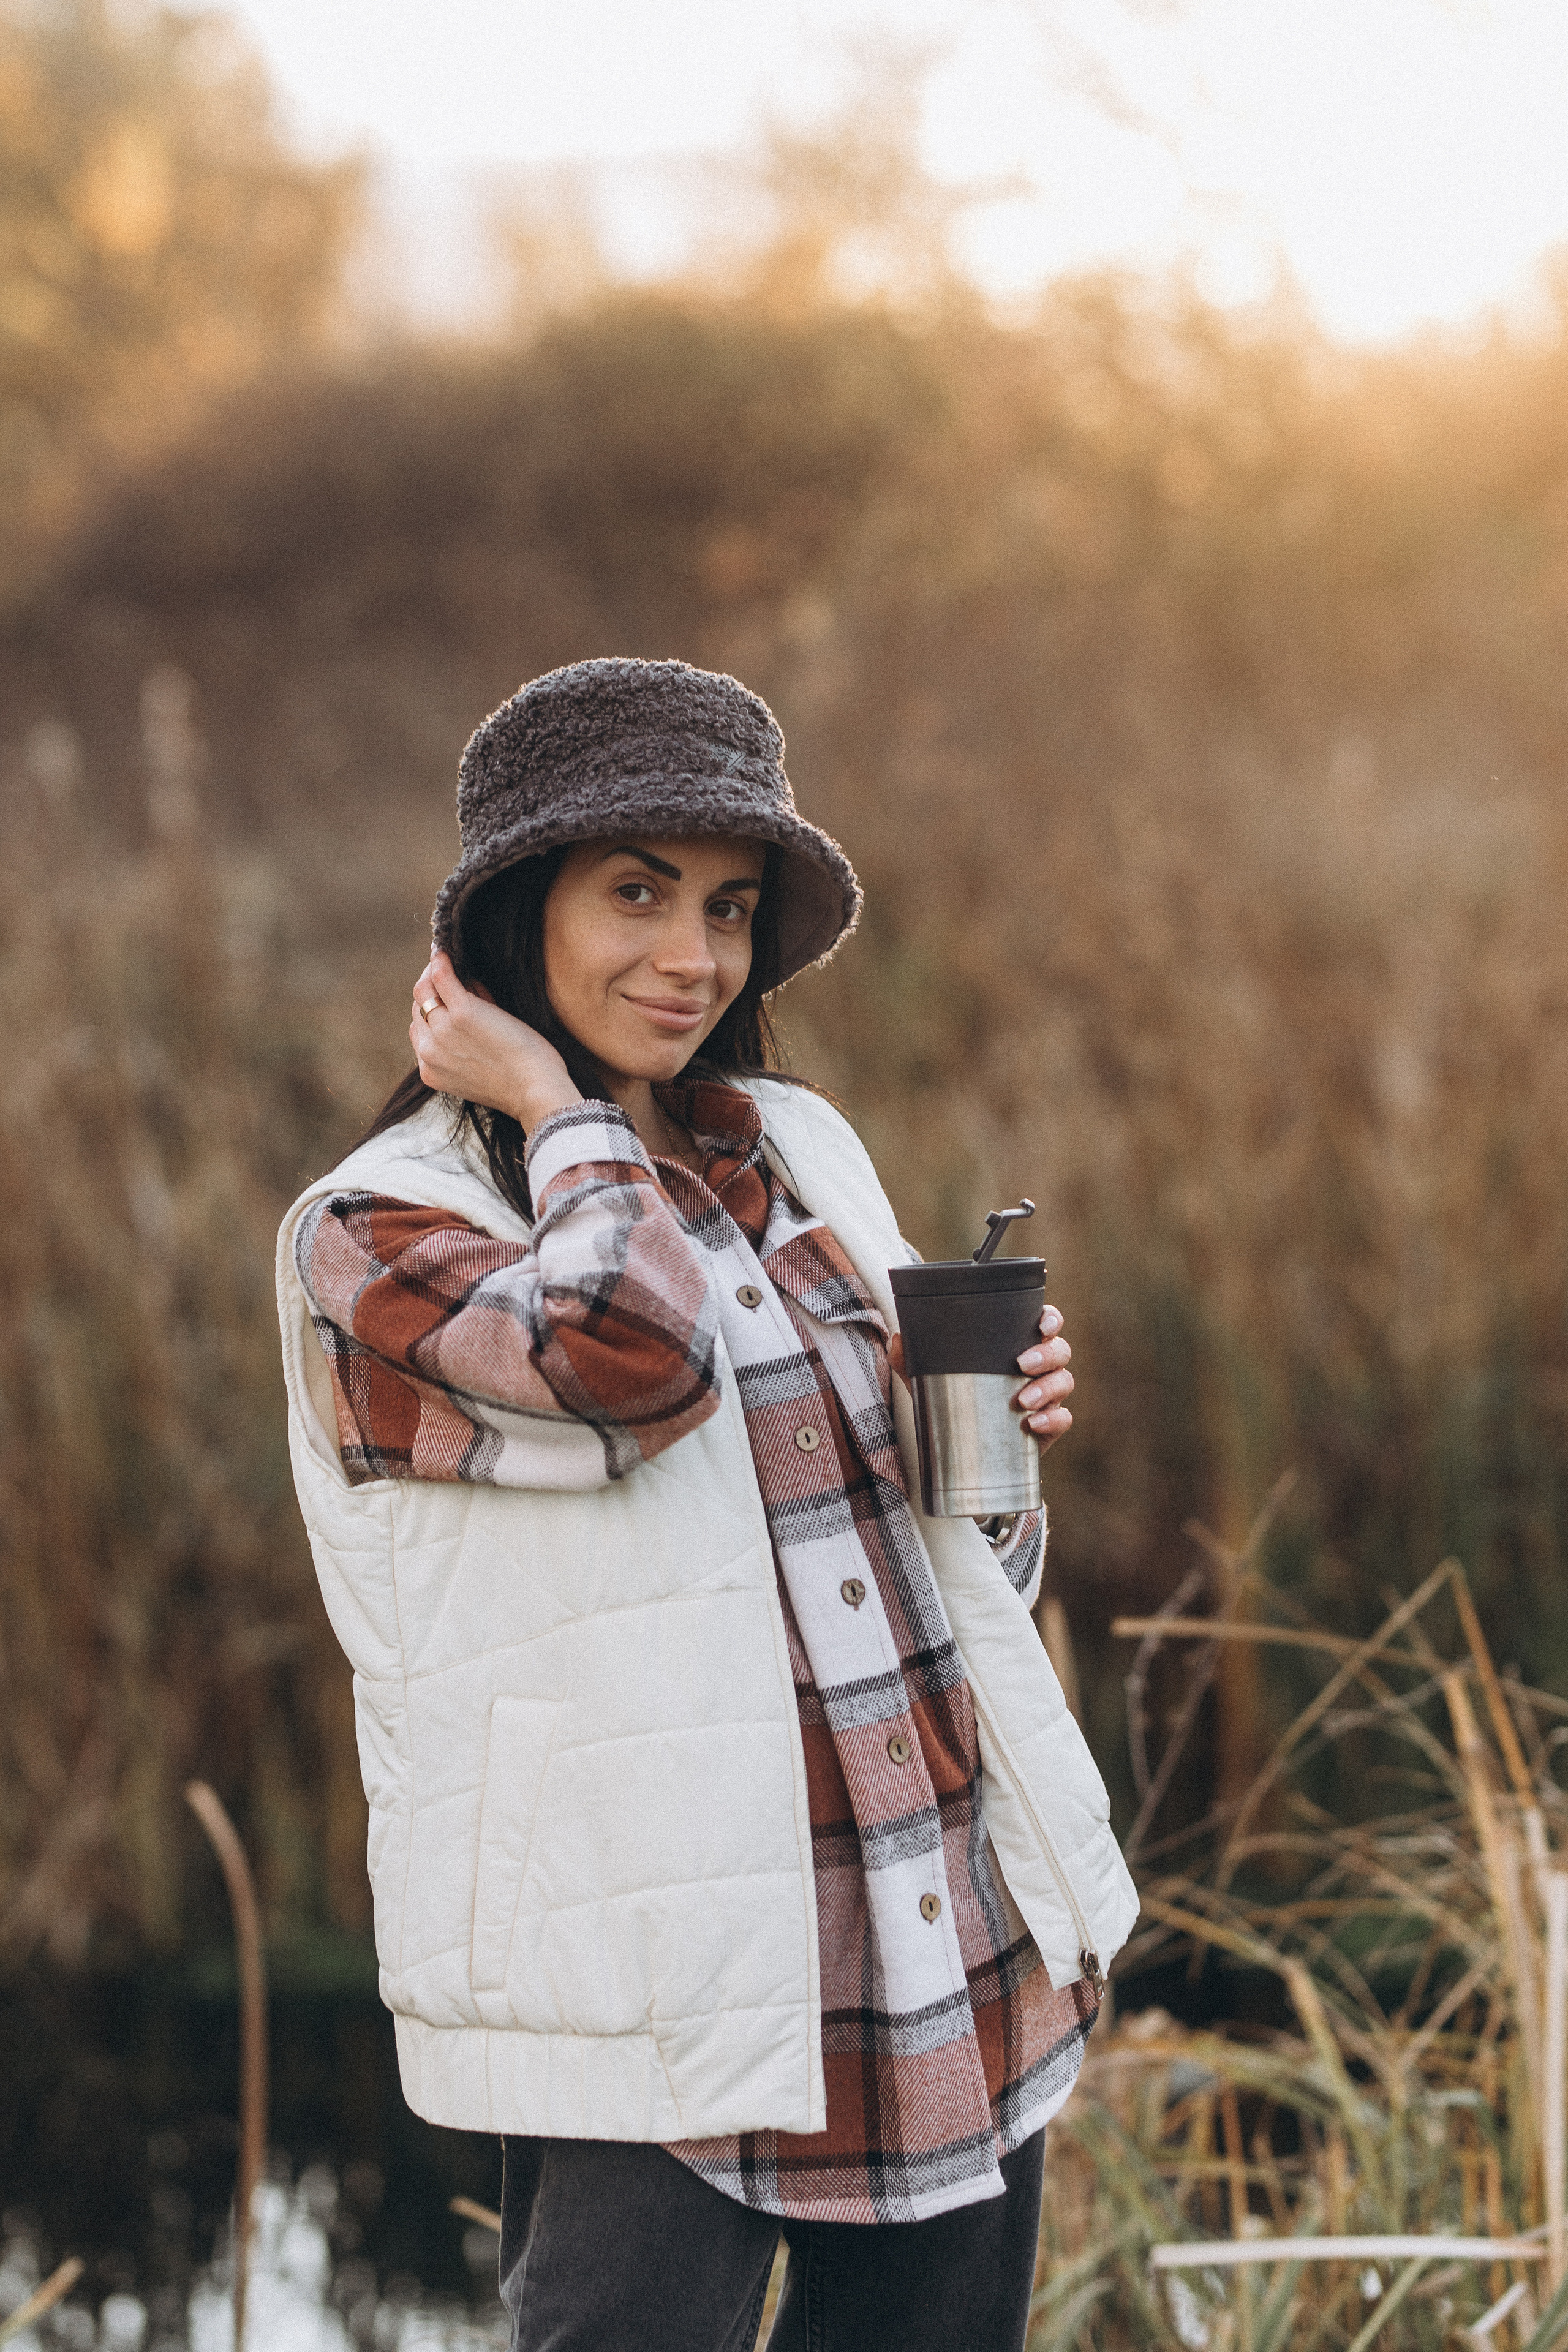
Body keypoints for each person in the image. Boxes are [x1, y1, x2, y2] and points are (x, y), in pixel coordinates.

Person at [276, 657, 1138, 2352]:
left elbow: (912, 1563)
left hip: (934, 1927)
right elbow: (632, 1359)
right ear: (516, 911)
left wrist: (992, 1446)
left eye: (730, 909)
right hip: (652, 1974)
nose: (694, 956)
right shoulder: (377, 1232)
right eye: (637, 893)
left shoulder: (796, 1148)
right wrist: (555, 1107)